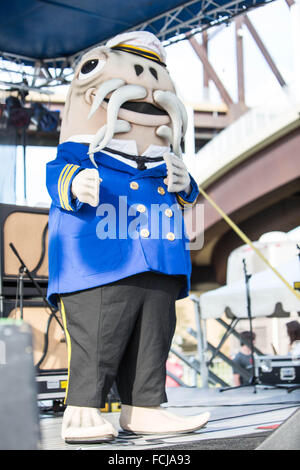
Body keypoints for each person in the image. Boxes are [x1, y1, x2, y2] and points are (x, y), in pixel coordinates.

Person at [46, 30, 210, 444]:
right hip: (98, 259)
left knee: (154, 333)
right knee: (100, 331)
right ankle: (83, 408)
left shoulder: (163, 162)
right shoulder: (82, 155)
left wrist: (185, 183)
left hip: (161, 257)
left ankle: (145, 407)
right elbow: (57, 174)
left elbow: (189, 194)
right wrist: (75, 182)